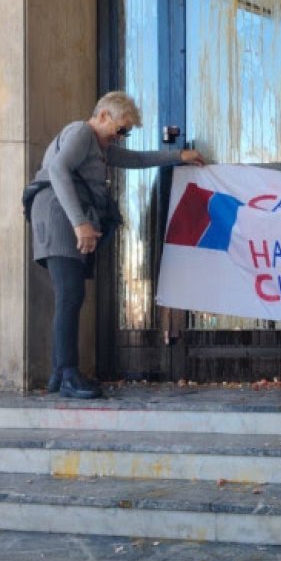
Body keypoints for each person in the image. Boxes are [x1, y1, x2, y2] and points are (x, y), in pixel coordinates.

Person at [28, 91, 206, 399]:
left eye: (128, 132)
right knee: (70, 295)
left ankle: (60, 374)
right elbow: (57, 170)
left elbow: (136, 159)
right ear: (102, 116)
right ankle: (68, 374)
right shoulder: (83, 132)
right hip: (60, 217)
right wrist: (80, 223)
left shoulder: (100, 146)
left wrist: (178, 156)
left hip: (63, 216)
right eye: (120, 129)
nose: (122, 137)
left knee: (70, 295)